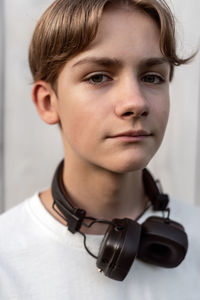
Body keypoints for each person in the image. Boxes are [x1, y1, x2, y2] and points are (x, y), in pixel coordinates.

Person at [0, 0, 199, 299]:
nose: (136, 102)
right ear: (48, 102)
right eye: (98, 77)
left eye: (152, 77)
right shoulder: (7, 259)